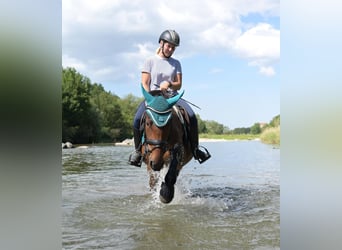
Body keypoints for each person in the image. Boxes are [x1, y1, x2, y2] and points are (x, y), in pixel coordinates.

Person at [128, 29, 211, 167]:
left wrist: (170, 84)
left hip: (171, 96)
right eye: (169, 46)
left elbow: (178, 85)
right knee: (137, 118)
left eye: (173, 47)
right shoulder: (150, 61)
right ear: (161, 43)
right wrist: (150, 99)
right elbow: (144, 83)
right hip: (153, 97)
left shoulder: (176, 63)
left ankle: (195, 150)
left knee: (191, 115)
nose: (171, 49)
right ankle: (137, 151)